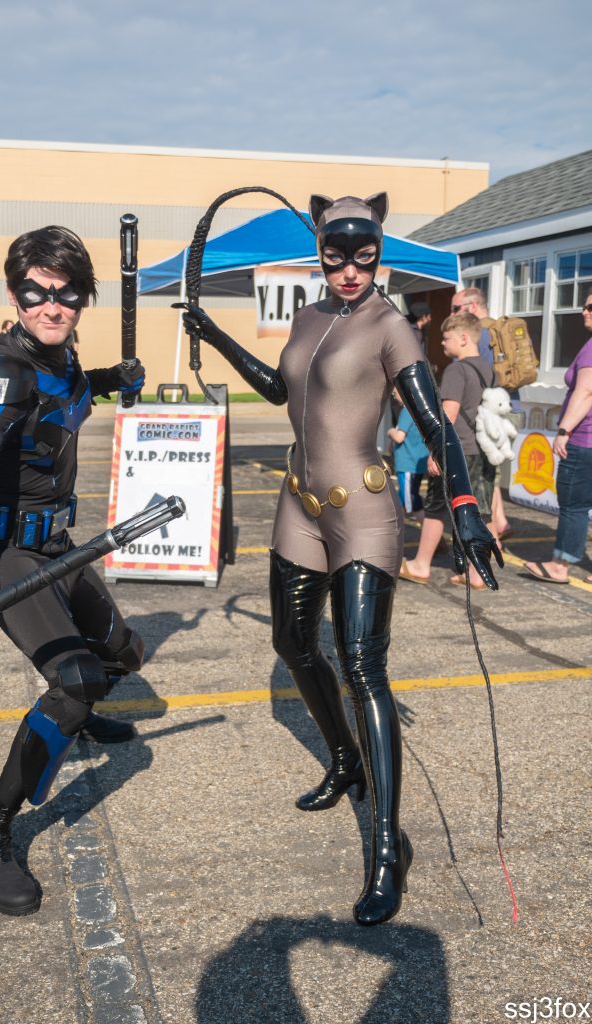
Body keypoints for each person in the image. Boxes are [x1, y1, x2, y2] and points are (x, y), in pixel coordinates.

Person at [177, 193, 501, 926]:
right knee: (292, 643)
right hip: (298, 503)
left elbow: (431, 421)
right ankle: (345, 759)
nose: (350, 270)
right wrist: (215, 336)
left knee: (362, 666)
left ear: (377, 253)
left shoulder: (390, 326)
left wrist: (465, 508)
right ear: (318, 252)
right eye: (335, 255)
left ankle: (388, 848)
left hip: (361, 509)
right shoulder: (309, 315)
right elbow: (279, 391)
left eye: (364, 256)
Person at [0, 225, 146, 916]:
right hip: (2, 553)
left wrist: (115, 380)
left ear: (83, 297)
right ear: (14, 294)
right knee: (76, 682)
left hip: (56, 544)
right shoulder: (2, 376)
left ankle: (72, 717)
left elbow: (69, 392)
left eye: (67, 294)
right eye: (36, 294)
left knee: (122, 652)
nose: (52, 307)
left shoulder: (61, 357)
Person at [401, 312, 498, 589]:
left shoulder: (457, 370)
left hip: (457, 451)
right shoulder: (487, 369)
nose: (442, 344)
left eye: (447, 338)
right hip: (481, 450)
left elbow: (449, 414)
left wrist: (436, 452)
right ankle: (479, 571)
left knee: (436, 507)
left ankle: (421, 564)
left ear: (464, 338)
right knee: (481, 510)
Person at [524, 295, 592, 584]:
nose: (583, 311)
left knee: (574, 504)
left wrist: (564, 430)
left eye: (590, 306)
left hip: (584, 439)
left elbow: (586, 392)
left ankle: (560, 565)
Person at [451, 287, 512, 539]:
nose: (452, 314)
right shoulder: (497, 333)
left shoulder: (477, 336)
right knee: (491, 477)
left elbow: (471, 384)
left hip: (487, 419)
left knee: (483, 483)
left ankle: (492, 538)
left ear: (473, 307)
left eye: (456, 309)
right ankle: (500, 526)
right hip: (507, 408)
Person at [387, 390, 427, 523]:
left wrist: (390, 431)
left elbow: (399, 437)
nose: (393, 394)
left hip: (408, 463)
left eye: (395, 391)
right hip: (416, 462)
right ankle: (397, 535)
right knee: (402, 501)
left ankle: (436, 541)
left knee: (412, 501)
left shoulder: (406, 411)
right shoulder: (418, 411)